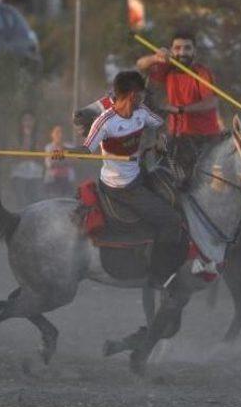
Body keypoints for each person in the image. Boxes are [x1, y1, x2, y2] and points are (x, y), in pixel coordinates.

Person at [60, 70, 183, 286]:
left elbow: (158, 122)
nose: (143, 99)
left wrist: (161, 138)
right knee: (171, 220)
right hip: (121, 188)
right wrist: (64, 152)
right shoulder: (104, 122)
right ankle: (160, 276)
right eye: (141, 95)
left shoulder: (142, 113)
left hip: (139, 174)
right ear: (133, 95)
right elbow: (87, 149)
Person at [136, 30, 220, 184]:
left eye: (187, 48)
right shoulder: (167, 69)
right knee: (156, 169)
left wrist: (181, 109)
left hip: (202, 138)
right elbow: (141, 65)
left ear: (194, 51)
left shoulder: (201, 72)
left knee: (183, 181)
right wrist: (156, 57)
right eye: (177, 48)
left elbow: (211, 102)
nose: (182, 52)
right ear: (171, 50)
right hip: (177, 137)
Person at [11, 110, 43, 207]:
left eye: (30, 120)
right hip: (19, 173)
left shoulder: (39, 136)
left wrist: (28, 155)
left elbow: (41, 157)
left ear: (34, 122)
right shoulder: (16, 137)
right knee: (21, 201)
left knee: (36, 200)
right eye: (25, 120)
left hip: (35, 173)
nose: (28, 123)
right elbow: (16, 156)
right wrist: (27, 137)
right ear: (21, 122)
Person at [43, 125, 75, 198]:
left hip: (67, 180)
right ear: (52, 134)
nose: (60, 135)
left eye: (62, 132)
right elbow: (49, 164)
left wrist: (57, 160)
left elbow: (72, 162)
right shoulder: (48, 147)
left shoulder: (70, 147)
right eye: (57, 132)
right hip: (52, 180)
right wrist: (64, 160)